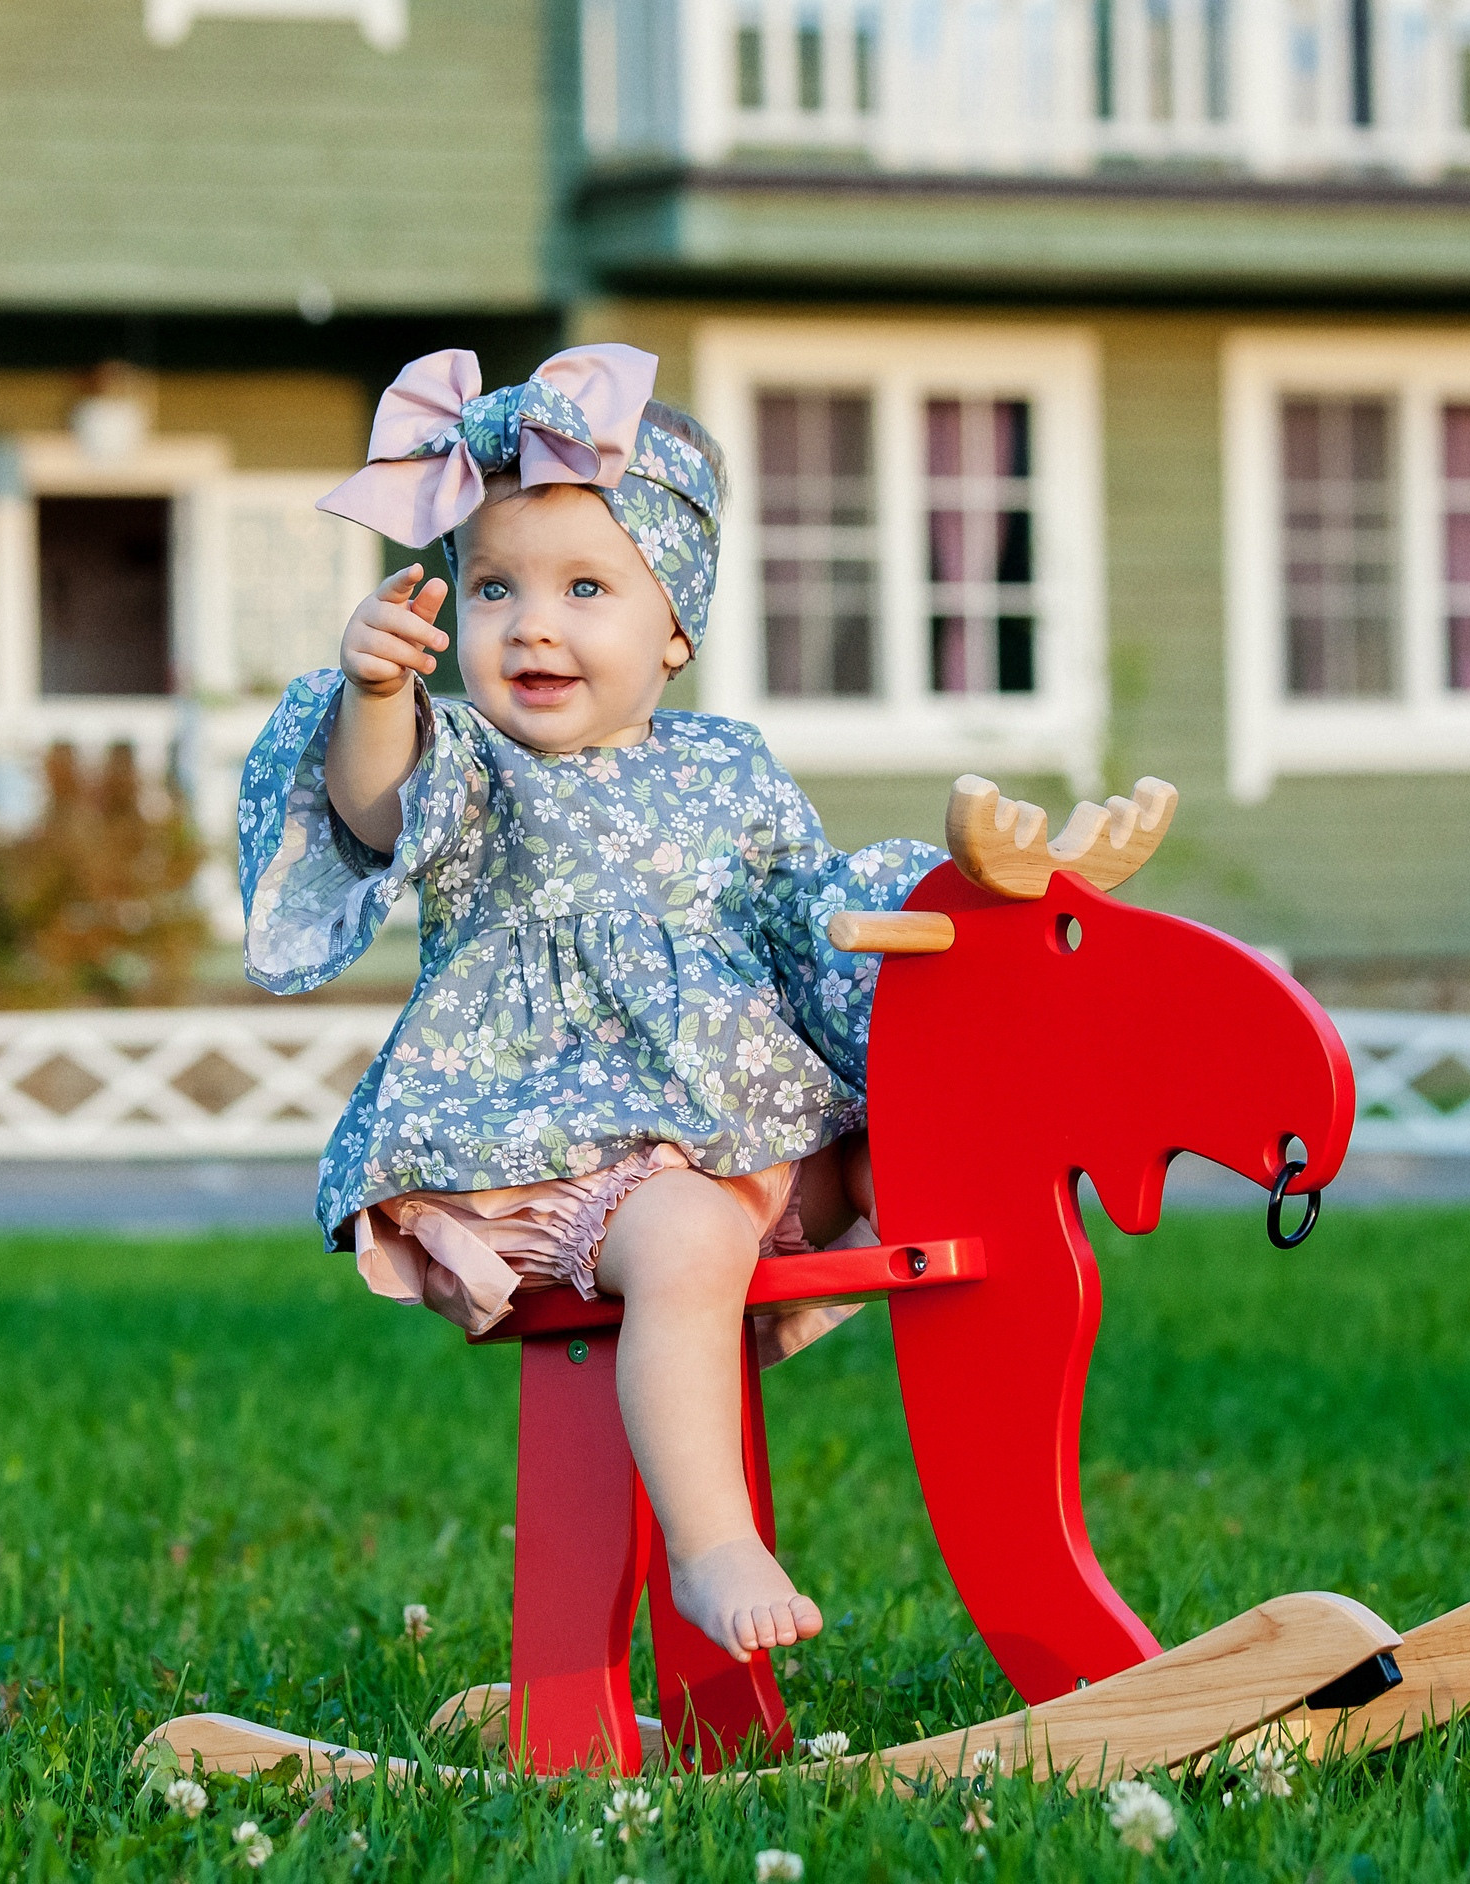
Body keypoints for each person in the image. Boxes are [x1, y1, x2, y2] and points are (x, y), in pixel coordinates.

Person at [238, 344, 942, 1665]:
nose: (531, 624)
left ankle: (1005, 1528)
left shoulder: (729, 766)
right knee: (678, 1238)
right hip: (546, 1149)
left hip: (741, 1124)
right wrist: (378, 698)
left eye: (584, 588)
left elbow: (809, 921)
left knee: (931, 1154)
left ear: (675, 623)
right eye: (491, 586)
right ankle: (711, 1543)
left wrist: (919, 907)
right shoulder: (479, 771)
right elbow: (377, 809)